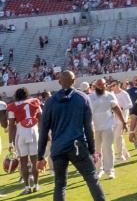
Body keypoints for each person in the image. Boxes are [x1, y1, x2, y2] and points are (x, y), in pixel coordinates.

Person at [37, 70, 106, 201]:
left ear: (59, 82)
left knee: (60, 184)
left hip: (58, 148)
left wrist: (40, 156)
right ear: (74, 81)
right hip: (77, 146)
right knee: (92, 179)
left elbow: (43, 130)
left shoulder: (50, 102)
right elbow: (88, 127)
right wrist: (92, 150)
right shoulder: (82, 98)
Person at [88, 78, 126, 180]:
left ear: (105, 85)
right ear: (95, 86)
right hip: (95, 127)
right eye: (98, 85)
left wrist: (123, 121)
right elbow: (86, 113)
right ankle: (98, 170)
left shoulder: (110, 95)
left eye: (102, 85)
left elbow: (116, 108)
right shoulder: (90, 97)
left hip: (108, 126)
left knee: (108, 148)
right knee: (96, 150)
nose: (100, 87)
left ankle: (109, 171)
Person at [7, 86, 42, 194]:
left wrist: (10, 142)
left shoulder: (13, 106)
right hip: (34, 132)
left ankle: (27, 188)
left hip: (21, 132)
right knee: (34, 161)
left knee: (23, 162)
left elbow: (11, 126)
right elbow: (41, 119)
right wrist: (45, 134)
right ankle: (36, 185)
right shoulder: (35, 101)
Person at [109, 80, 133, 162]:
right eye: (111, 86)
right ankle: (125, 154)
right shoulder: (111, 94)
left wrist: (122, 108)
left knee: (117, 137)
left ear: (118, 85)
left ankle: (120, 156)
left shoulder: (124, 93)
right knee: (119, 137)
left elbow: (130, 104)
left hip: (123, 118)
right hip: (114, 118)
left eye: (113, 85)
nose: (112, 87)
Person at [125, 76, 137, 149]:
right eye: (136, 80)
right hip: (134, 113)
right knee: (135, 128)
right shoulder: (129, 91)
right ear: (133, 81)